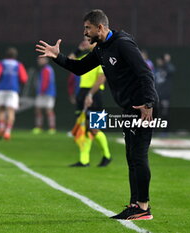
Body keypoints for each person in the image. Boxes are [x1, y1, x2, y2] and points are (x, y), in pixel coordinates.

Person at [36, 9, 158, 220]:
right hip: (129, 108)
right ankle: (135, 205)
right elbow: (80, 68)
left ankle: (143, 208)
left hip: (142, 108)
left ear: (100, 27)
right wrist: (58, 57)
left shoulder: (122, 43)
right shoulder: (101, 48)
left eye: (87, 28)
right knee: (132, 158)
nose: (85, 32)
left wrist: (148, 103)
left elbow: (145, 72)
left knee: (138, 156)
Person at [68, 37, 112, 167]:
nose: (85, 42)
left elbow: (101, 79)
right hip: (82, 93)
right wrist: (78, 50)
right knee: (83, 127)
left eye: (87, 40)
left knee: (93, 129)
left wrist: (90, 95)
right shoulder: (87, 57)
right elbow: (70, 62)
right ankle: (84, 160)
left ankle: (107, 155)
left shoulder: (102, 57)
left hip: (95, 95)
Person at [0, 47, 28, 140]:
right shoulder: (18, 64)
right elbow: (24, 78)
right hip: (13, 90)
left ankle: (1, 128)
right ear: (15, 56)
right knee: (11, 111)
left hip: (2, 89)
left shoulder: (1, 63)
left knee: (1, 110)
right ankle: (8, 132)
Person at [32, 57, 57, 135]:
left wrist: (42, 91)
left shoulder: (47, 69)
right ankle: (39, 127)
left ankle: (52, 128)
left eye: (41, 59)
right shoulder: (44, 69)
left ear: (46, 60)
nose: (39, 61)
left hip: (47, 93)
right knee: (38, 109)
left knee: (48, 110)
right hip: (44, 93)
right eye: (39, 59)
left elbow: (46, 81)